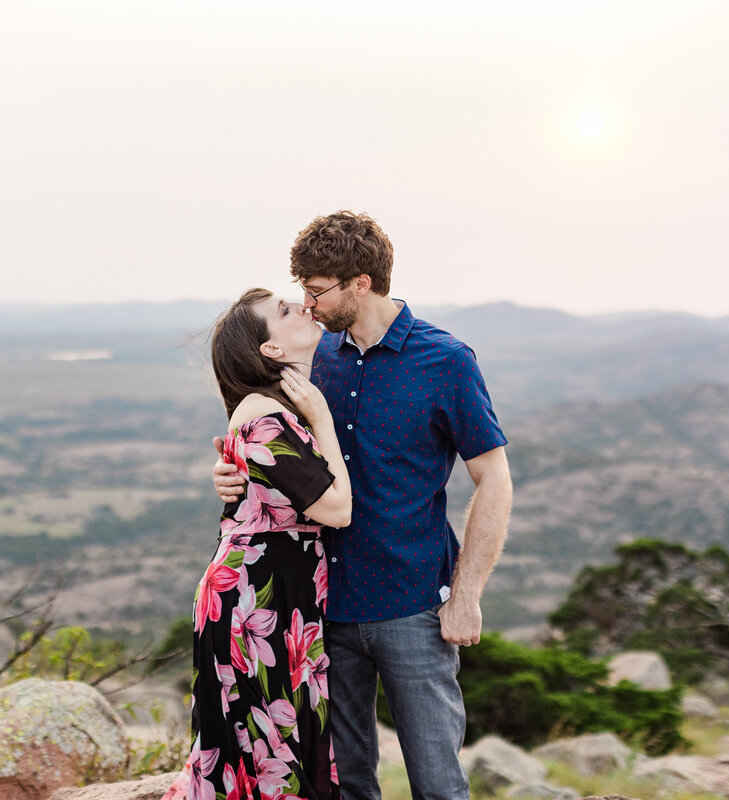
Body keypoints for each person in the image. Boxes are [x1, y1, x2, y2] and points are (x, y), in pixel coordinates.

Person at [213, 211, 513, 800]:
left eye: (317, 290)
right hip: (322, 609)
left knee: (436, 784)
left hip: (413, 609)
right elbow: (266, 434)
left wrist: (469, 595)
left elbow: (495, 480)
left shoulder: (446, 361)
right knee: (346, 785)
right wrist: (229, 472)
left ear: (361, 282)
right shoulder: (313, 356)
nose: (307, 304)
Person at [170, 287, 352, 800]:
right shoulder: (266, 415)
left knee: (273, 747)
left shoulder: (274, 405)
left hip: (273, 596)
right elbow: (337, 510)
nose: (303, 308)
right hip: (254, 603)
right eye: (286, 311)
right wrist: (323, 422)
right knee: (271, 751)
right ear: (271, 351)